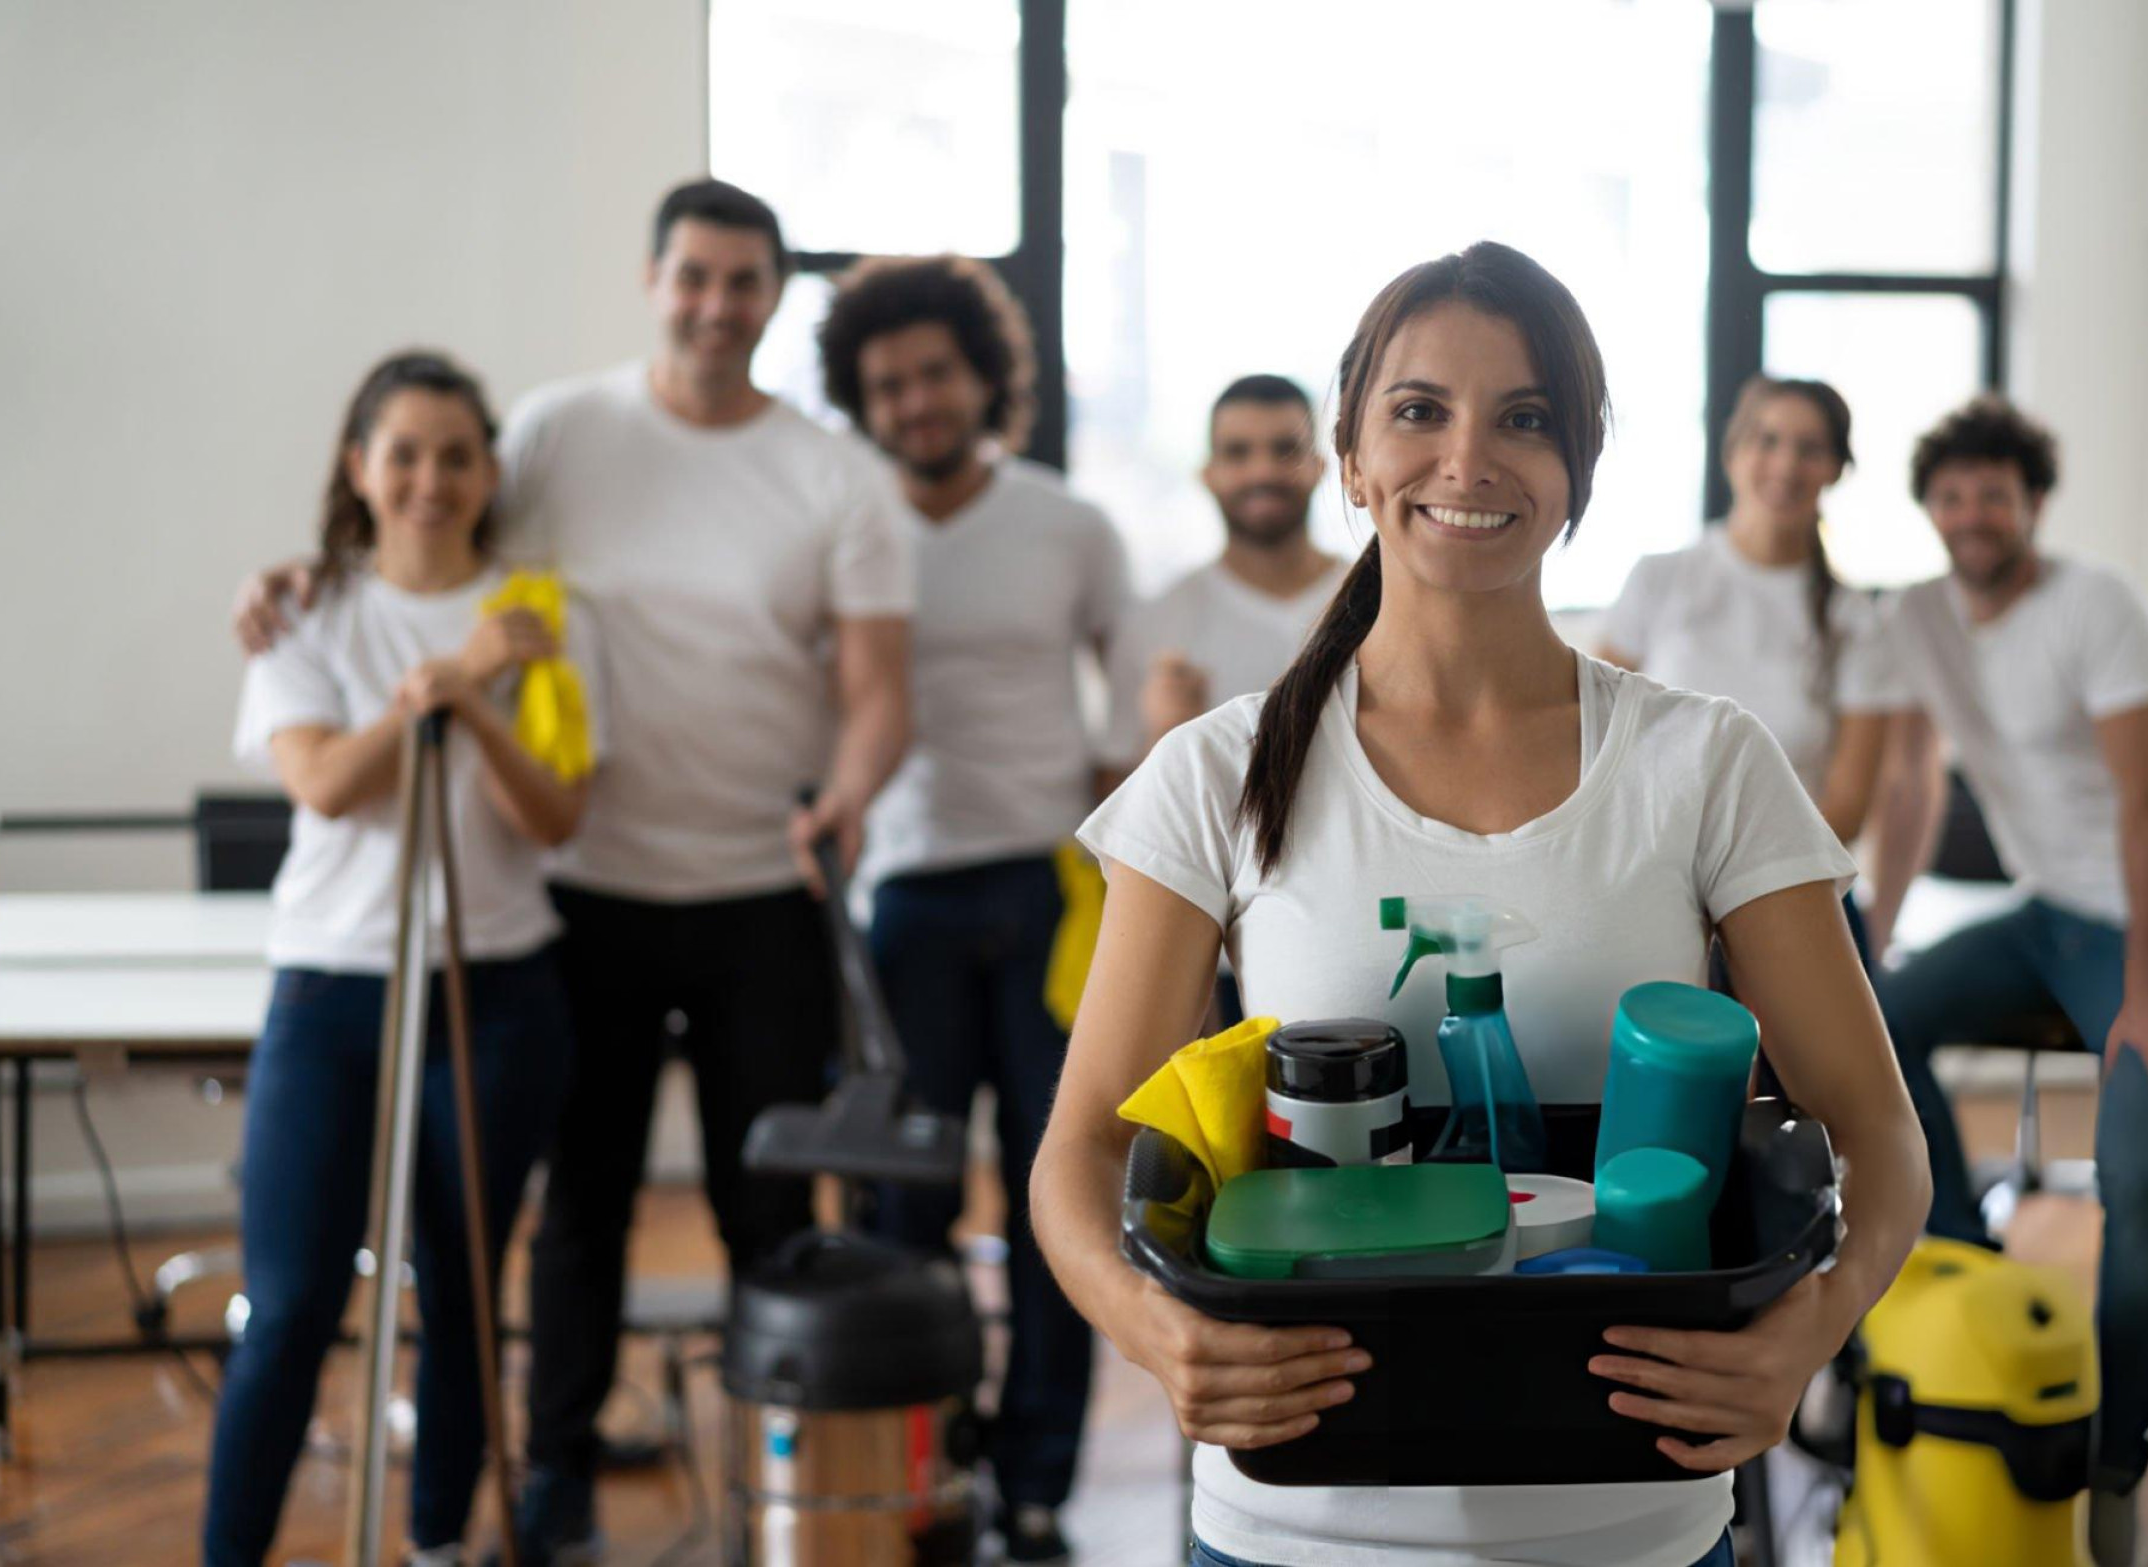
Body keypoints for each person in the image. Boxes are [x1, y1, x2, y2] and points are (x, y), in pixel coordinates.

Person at [1031, 242, 1929, 1566]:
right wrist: (1152, 1324)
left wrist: (1810, 1324)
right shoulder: (1216, 771)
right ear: (1351, 456)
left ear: (1576, 472)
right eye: (1417, 411)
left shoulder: (1705, 763)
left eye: (1524, 418)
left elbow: (1879, 1133)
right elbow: (1079, 1155)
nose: (1468, 458)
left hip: (1630, 1514)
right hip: (1300, 1517)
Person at [232, 179, 914, 1564]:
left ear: (772, 296)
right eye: (694, 276)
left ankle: (769, 1478)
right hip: (580, 892)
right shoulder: (555, 428)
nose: (716, 305)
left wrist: (849, 791)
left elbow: (878, 687)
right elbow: (432, 535)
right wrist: (303, 580)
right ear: (653, 280)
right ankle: (553, 1480)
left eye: (744, 281)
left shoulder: (832, 472)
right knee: (580, 1208)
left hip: (759, 894)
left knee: (763, 1206)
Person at [206, 351, 604, 1566]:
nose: (432, 479)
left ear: (491, 471)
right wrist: (441, 689)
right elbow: (323, 784)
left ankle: (436, 1544)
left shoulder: (543, 617)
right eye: (405, 454)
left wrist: (484, 696)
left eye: (457, 455)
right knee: (287, 1308)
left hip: (497, 991)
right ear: (359, 467)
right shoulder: (304, 609)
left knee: (464, 1297)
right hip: (332, 988)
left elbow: (556, 818)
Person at [1865, 394, 2148, 1567]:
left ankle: (2116, 1458)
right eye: (1954, 494)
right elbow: (1910, 780)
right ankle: (1969, 1269)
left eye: (1996, 493)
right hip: (2040, 912)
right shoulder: (1916, 616)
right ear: (1929, 508)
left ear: (2032, 504)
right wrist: (1871, 934)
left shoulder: (2096, 605)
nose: (1973, 513)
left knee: (2137, 1176)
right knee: (1873, 1022)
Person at [815, 253, 1129, 1564]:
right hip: (903, 903)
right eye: (887, 383)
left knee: (1055, 1192)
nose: (915, 400)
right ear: (860, 399)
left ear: (983, 375)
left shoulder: (1068, 522)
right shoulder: (841, 525)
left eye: (935, 371)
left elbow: (1134, 720)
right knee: (904, 1204)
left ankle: (1039, 1476)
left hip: (1047, 892)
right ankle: (921, 1452)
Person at [1597, 375, 1897, 844]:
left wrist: (1740, 886)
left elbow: (1847, 810)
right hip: (1649, 861)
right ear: (1732, 453)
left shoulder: (1855, 621)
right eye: (1768, 440)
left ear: (1836, 469)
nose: (1786, 464)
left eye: (1810, 448)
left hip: (1793, 882)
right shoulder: (1659, 579)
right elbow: (1593, 741)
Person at [1105, 374, 1348, 774]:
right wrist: (1165, 737)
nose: (1263, 471)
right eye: (1238, 453)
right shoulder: (1155, 625)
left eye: (1285, 450)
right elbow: (1112, 796)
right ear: (1208, 474)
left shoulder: (1381, 603)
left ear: (1320, 466)